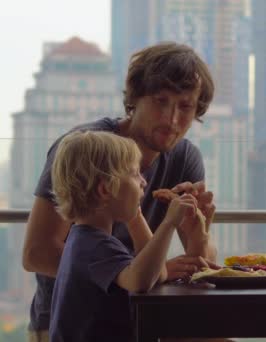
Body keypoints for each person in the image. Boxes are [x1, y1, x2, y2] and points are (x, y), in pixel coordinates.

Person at [22, 42, 218, 341]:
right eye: (160, 101)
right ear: (135, 98)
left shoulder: (184, 158)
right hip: (73, 326)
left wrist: (197, 235)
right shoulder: (87, 149)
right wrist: (141, 272)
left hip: (139, 320)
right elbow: (37, 253)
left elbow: (199, 263)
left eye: (185, 106)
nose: (172, 119)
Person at [48, 131, 199, 341]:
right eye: (135, 173)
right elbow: (140, 281)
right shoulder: (94, 247)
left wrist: (135, 216)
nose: (144, 182)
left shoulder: (83, 238)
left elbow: (158, 274)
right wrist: (169, 222)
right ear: (105, 190)